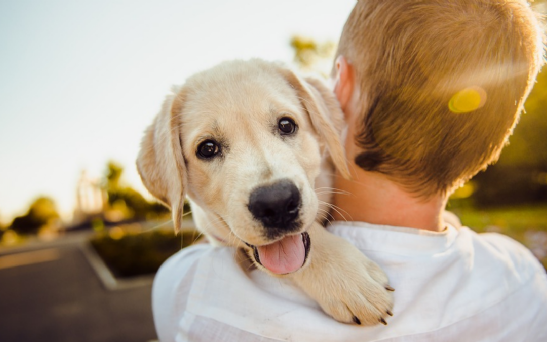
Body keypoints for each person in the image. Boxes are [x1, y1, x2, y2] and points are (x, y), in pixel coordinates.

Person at [152, 0, 547, 341]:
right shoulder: (525, 282)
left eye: (286, 126)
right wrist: (316, 251)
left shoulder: (191, 295)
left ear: (338, 86)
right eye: (209, 148)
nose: (269, 189)